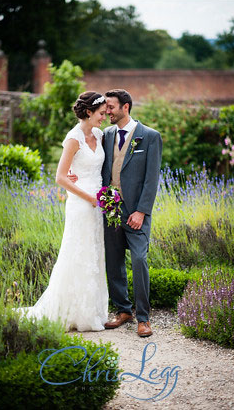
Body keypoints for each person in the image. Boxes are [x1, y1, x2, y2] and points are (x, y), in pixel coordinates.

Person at [17, 91, 109, 331]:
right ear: (88, 112)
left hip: (98, 203)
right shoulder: (73, 138)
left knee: (95, 254)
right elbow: (60, 177)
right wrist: (88, 197)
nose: (104, 117)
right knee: (77, 254)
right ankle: (72, 312)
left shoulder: (99, 135)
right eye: (101, 113)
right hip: (81, 204)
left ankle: (93, 311)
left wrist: (102, 198)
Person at [100, 89, 163, 338]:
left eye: (111, 107)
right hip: (111, 210)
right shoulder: (106, 135)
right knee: (113, 262)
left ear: (125, 107)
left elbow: (151, 179)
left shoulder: (149, 137)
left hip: (136, 212)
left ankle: (144, 318)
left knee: (139, 260)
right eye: (105, 107)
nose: (107, 111)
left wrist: (141, 211)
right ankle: (123, 310)